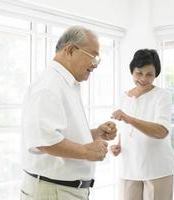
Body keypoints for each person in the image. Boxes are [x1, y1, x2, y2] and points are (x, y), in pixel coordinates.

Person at [20, 26, 117, 200]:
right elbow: (43, 140)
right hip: (53, 192)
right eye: (93, 56)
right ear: (71, 50)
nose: (95, 65)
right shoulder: (49, 86)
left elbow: (58, 133)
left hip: (61, 191)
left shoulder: (64, 84)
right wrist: (86, 151)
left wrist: (95, 134)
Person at [110, 49, 174, 200]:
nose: (143, 79)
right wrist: (117, 146)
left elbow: (161, 131)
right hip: (129, 168)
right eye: (139, 73)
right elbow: (124, 130)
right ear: (132, 71)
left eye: (149, 74)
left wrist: (129, 118)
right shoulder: (124, 96)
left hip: (157, 169)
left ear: (156, 74)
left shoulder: (162, 95)